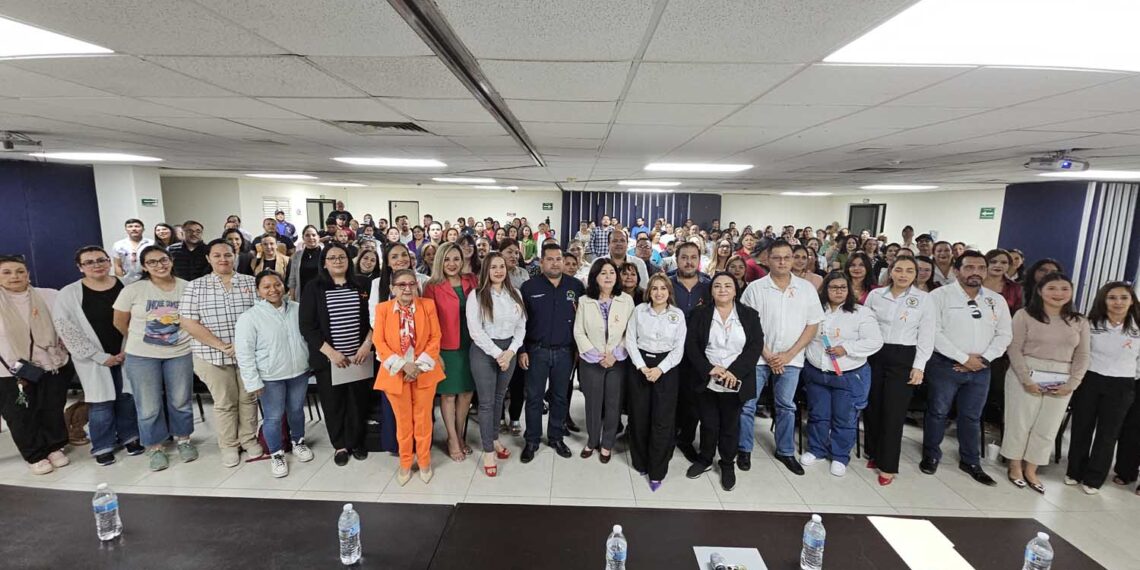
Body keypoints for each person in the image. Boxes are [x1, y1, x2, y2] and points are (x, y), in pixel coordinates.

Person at [922, 250, 1012, 486]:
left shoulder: (996, 300)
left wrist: (982, 360)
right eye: (969, 267)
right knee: (938, 412)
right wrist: (962, 358)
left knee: (972, 416)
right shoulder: (939, 296)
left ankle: (970, 461)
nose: (976, 272)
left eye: (981, 268)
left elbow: (1004, 335)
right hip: (945, 364)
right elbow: (933, 332)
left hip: (982, 368)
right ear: (956, 270)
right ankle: (931, 454)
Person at [739, 240, 825, 475]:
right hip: (758, 357)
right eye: (777, 257)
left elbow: (812, 325)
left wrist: (787, 355)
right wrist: (766, 353)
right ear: (767, 259)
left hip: (792, 359)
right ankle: (744, 448)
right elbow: (747, 326)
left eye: (788, 257)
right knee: (747, 405)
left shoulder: (806, 289)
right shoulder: (755, 288)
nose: (783, 262)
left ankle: (785, 450)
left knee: (786, 406)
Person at [53, 246, 142, 466]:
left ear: (109, 262)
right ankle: (103, 446)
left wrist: (127, 349)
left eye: (101, 260)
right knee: (100, 404)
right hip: (92, 359)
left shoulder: (126, 286)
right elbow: (65, 328)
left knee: (126, 398)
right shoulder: (69, 293)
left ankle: (130, 438)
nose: (96, 265)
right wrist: (99, 356)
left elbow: (140, 319)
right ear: (80, 267)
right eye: (89, 262)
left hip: (127, 351)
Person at [112, 246, 198, 471]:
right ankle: (155, 447)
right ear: (144, 266)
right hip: (141, 355)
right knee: (148, 405)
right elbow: (119, 321)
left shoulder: (187, 287)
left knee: (180, 400)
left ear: (171, 260)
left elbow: (194, 319)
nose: (159, 265)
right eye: (152, 262)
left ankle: (184, 439)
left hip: (179, 352)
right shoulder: (134, 290)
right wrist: (137, 340)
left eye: (163, 260)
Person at [1001, 273, 1089, 494]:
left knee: (1048, 426)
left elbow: (1083, 354)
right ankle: (1014, 465)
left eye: (1064, 289)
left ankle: (1032, 468)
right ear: (1040, 291)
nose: (1058, 294)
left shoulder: (1079, 321)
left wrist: (1072, 383)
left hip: (1063, 376)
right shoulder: (1024, 315)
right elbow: (1014, 347)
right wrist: (1026, 379)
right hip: (1026, 371)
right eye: (1052, 288)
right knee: (1020, 422)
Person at [179, 239, 262, 466]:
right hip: (211, 355)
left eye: (227, 254)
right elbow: (188, 322)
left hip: (247, 354)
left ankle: (248, 439)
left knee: (248, 398)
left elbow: (261, 316)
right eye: (217, 255)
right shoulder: (196, 286)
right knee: (225, 401)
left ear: (235, 255)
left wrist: (242, 346)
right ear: (208, 258)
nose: (223, 259)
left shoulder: (250, 282)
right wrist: (221, 345)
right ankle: (229, 445)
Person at [684, 272, 764, 491]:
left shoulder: (749, 315)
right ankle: (705, 458)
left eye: (727, 286)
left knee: (730, 425)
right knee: (708, 423)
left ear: (735, 289)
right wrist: (710, 369)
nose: (722, 290)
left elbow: (755, 346)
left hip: (735, 379)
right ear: (711, 290)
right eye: (717, 286)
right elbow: (691, 346)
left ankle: (727, 463)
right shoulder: (700, 314)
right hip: (707, 377)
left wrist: (734, 372)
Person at [801, 272, 883, 477]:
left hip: (848, 375)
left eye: (842, 287)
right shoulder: (816, 311)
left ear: (849, 290)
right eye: (833, 287)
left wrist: (846, 348)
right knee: (818, 414)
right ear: (825, 289)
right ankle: (816, 449)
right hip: (817, 372)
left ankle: (839, 455)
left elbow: (875, 341)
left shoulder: (861, 313)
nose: (838, 291)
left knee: (844, 418)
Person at [300, 243, 374, 467]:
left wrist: (366, 345)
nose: (338, 261)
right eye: (332, 258)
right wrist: (331, 353)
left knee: (358, 401)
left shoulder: (362, 283)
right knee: (334, 403)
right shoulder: (314, 287)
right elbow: (307, 326)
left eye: (341, 257)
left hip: (360, 356)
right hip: (329, 359)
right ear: (324, 262)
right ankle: (340, 445)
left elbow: (376, 317)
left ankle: (357, 441)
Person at [234, 271, 315, 478]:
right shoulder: (249, 317)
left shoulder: (297, 309)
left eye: (277, 285)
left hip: (298, 372)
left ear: (284, 285)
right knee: (273, 417)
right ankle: (276, 453)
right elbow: (244, 353)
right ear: (259, 291)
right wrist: (253, 382)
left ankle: (298, 442)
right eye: (266, 286)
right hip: (270, 377)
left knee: (296, 411)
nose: (273, 290)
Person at [863, 256, 935, 485]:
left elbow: (926, 335)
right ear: (891, 272)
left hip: (904, 356)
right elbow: (863, 323)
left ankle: (888, 465)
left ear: (916, 275)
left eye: (909, 271)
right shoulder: (876, 295)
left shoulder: (923, 300)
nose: (903, 274)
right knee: (873, 406)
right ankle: (874, 452)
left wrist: (919, 366)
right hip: (875, 354)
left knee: (894, 412)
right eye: (899, 270)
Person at [0, 255, 72, 475]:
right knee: (20, 414)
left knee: (51, 407)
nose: (15, 276)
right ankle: (34, 454)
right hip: (10, 370)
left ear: (28, 274)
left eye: (20, 271)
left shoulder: (49, 295)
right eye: (7, 272)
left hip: (50, 364)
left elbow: (65, 324)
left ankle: (54, 446)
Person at [1064, 283, 1138, 494]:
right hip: (1090, 379)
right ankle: (1074, 471)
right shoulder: (1089, 323)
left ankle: (1094, 478)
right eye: (1112, 297)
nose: (1118, 302)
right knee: (1082, 427)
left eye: (1124, 298)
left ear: (1132, 301)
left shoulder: (1137, 326)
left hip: (1122, 384)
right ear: (1103, 300)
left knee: (1108, 433)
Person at [374, 268, 444, 484]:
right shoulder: (383, 309)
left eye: (411, 284)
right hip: (396, 373)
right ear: (392, 288)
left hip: (424, 371)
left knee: (423, 420)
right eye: (401, 284)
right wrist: (404, 366)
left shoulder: (428, 306)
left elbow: (435, 338)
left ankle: (424, 461)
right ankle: (405, 462)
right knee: (403, 422)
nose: (407, 288)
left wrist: (418, 366)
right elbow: (379, 342)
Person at [519, 244, 585, 463]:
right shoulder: (528, 287)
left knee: (559, 397)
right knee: (535, 398)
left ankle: (556, 437)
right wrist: (522, 350)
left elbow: (582, 322)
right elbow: (520, 322)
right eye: (550, 259)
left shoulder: (576, 286)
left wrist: (578, 350)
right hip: (536, 351)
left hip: (565, 352)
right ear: (541, 261)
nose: (555, 263)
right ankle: (532, 440)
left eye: (559, 259)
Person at [624, 273, 686, 491]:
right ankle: (640, 462)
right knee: (639, 416)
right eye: (654, 288)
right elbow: (630, 340)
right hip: (640, 364)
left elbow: (679, 349)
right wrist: (642, 367)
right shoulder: (639, 311)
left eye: (663, 288)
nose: (659, 292)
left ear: (669, 292)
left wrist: (660, 369)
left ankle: (657, 471)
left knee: (662, 420)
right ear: (648, 291)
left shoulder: (677, 315)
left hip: (666, 368)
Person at [467, 252, 526, 477]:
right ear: (486, 271)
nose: (499, 271)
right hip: (484, 351)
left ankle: (494, 438)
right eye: (493, 267)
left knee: (500, 399)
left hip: (508, 351)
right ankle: (488, 451)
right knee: (486, 402)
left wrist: (510, 352)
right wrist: (497, 354)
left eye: (501, 266)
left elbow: (521, 327)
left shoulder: (515, 294)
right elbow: (475, 330)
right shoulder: (478, 295)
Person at [574, 259, 635, 464]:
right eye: (603, 273)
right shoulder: (584, 300)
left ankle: (607, 443)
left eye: (611, 272)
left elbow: (631, 332)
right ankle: (592, 441)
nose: (608, 276)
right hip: (592, 361)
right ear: (595, 277)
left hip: (617, 361)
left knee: (613, 403)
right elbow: (578, 331)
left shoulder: (626, 300)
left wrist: (615, 354)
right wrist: (596, 354)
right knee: (593, 402)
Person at [423, 243, 478, 463]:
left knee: (466, 394)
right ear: (439, 261)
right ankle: (453, 439)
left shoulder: (471, 280)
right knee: (448, 395)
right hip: (446, 348)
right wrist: (435, 354)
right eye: (447, 259)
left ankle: (459, 433)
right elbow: (427, 323)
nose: (452, 264)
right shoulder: (432, 286)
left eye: (456, 259)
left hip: (472, 345)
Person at [671, 242, 712, 462]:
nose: (688, 261)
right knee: (669, 396)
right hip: (669, 351)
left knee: (694, 399)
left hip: (698, 354)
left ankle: (686, 439)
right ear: (676, 259)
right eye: (684, 257)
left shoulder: (709, 286)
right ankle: (667, 436)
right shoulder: (667, 284)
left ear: (699, 259)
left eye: (693, 257)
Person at [112, 218, 153, 284]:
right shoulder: (118, 245)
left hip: (149, 279)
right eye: (130, 227)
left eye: (137, 226)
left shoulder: (151, 243)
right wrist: (121, 281)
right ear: (126, 230)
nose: (133, 229)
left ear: (143, 229)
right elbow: (117, 265)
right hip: (127, 280)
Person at [288, 225, 322, 301]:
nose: (311, 238)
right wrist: (292, 300)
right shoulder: (297, 255)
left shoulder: (326, 253)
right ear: (303, 238)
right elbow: (292, 279)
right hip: (303, 296)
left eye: (314, 235)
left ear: (318, 237)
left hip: (322, 295)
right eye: (307, 235)